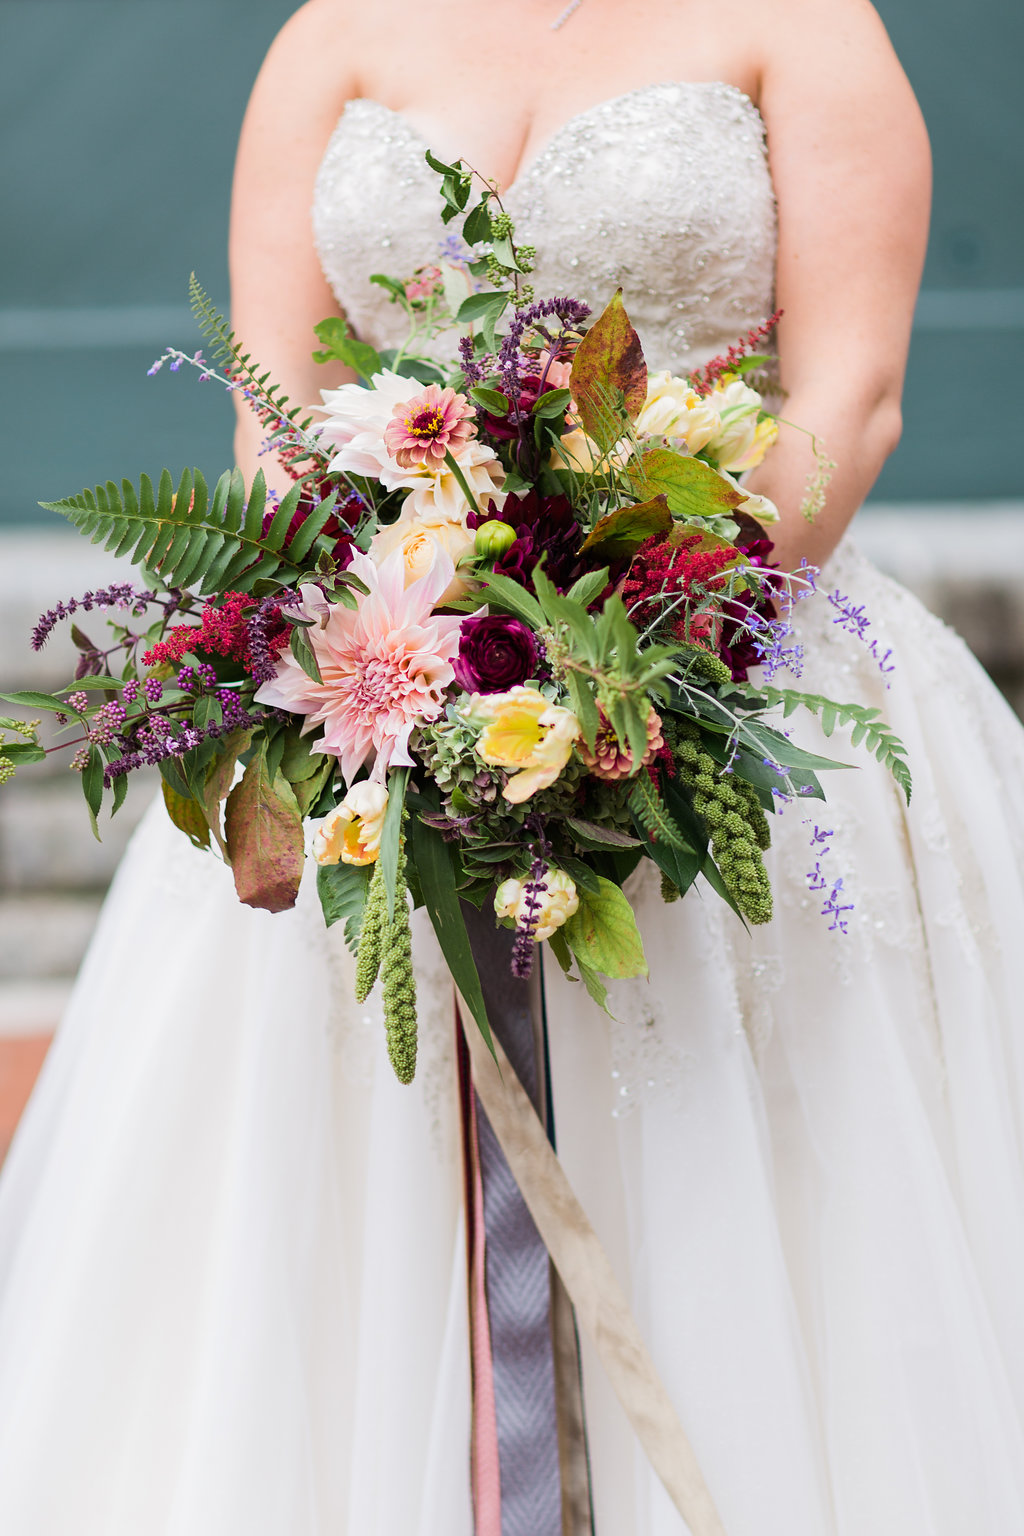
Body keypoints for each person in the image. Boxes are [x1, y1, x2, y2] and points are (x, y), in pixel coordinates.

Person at [2, 0, 1024, 1531]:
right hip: (387, 690)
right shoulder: (330, 39)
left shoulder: (802, 23)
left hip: (726, 668)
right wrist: (374, 652)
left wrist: (650, 645)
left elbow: (850, 400)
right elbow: (267, 436)